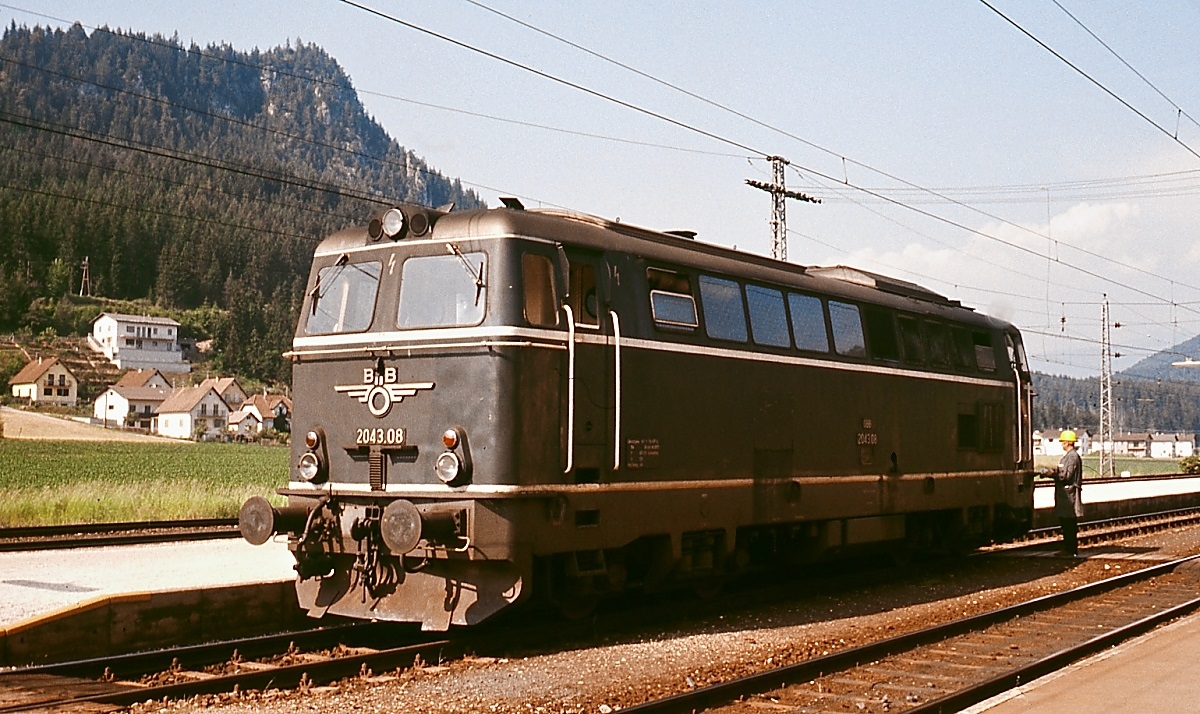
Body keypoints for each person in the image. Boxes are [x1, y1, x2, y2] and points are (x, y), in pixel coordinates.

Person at [1048, 430, 1084, 556]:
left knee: (1069, 524)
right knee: (1066, 523)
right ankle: (1068, 548)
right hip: (1066, 495)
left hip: (1069, 496)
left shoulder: (1072, 457)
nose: (1062, 444)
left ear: (1068, 442)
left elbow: (1066, 476)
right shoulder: (1069, 456)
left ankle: (1070, 550)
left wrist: (1052, 474)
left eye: (1063, 442)